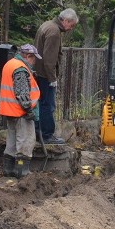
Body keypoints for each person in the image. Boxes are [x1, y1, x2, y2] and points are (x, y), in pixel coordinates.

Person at [33, 8, 78, 145]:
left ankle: (38, 133)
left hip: (39, 72)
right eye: (71, 25)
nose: (71, 28)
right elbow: (49, 59)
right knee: (48, 105)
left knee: (40, 104)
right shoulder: (54, 32)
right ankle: (47, 135)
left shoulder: (47, 25)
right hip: (45, 75)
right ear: (65, 20)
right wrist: (52, 79)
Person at [0, 44, 41, 178]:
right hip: (21, 112)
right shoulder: (20, 69)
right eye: (34, 59)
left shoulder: (10, 64)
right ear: (28, 56)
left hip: (9, 110)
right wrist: (29, 110)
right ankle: (22, 172)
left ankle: (8, 169)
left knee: (11, 141)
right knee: (25, 142)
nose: (34, 62)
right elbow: (22, 93)